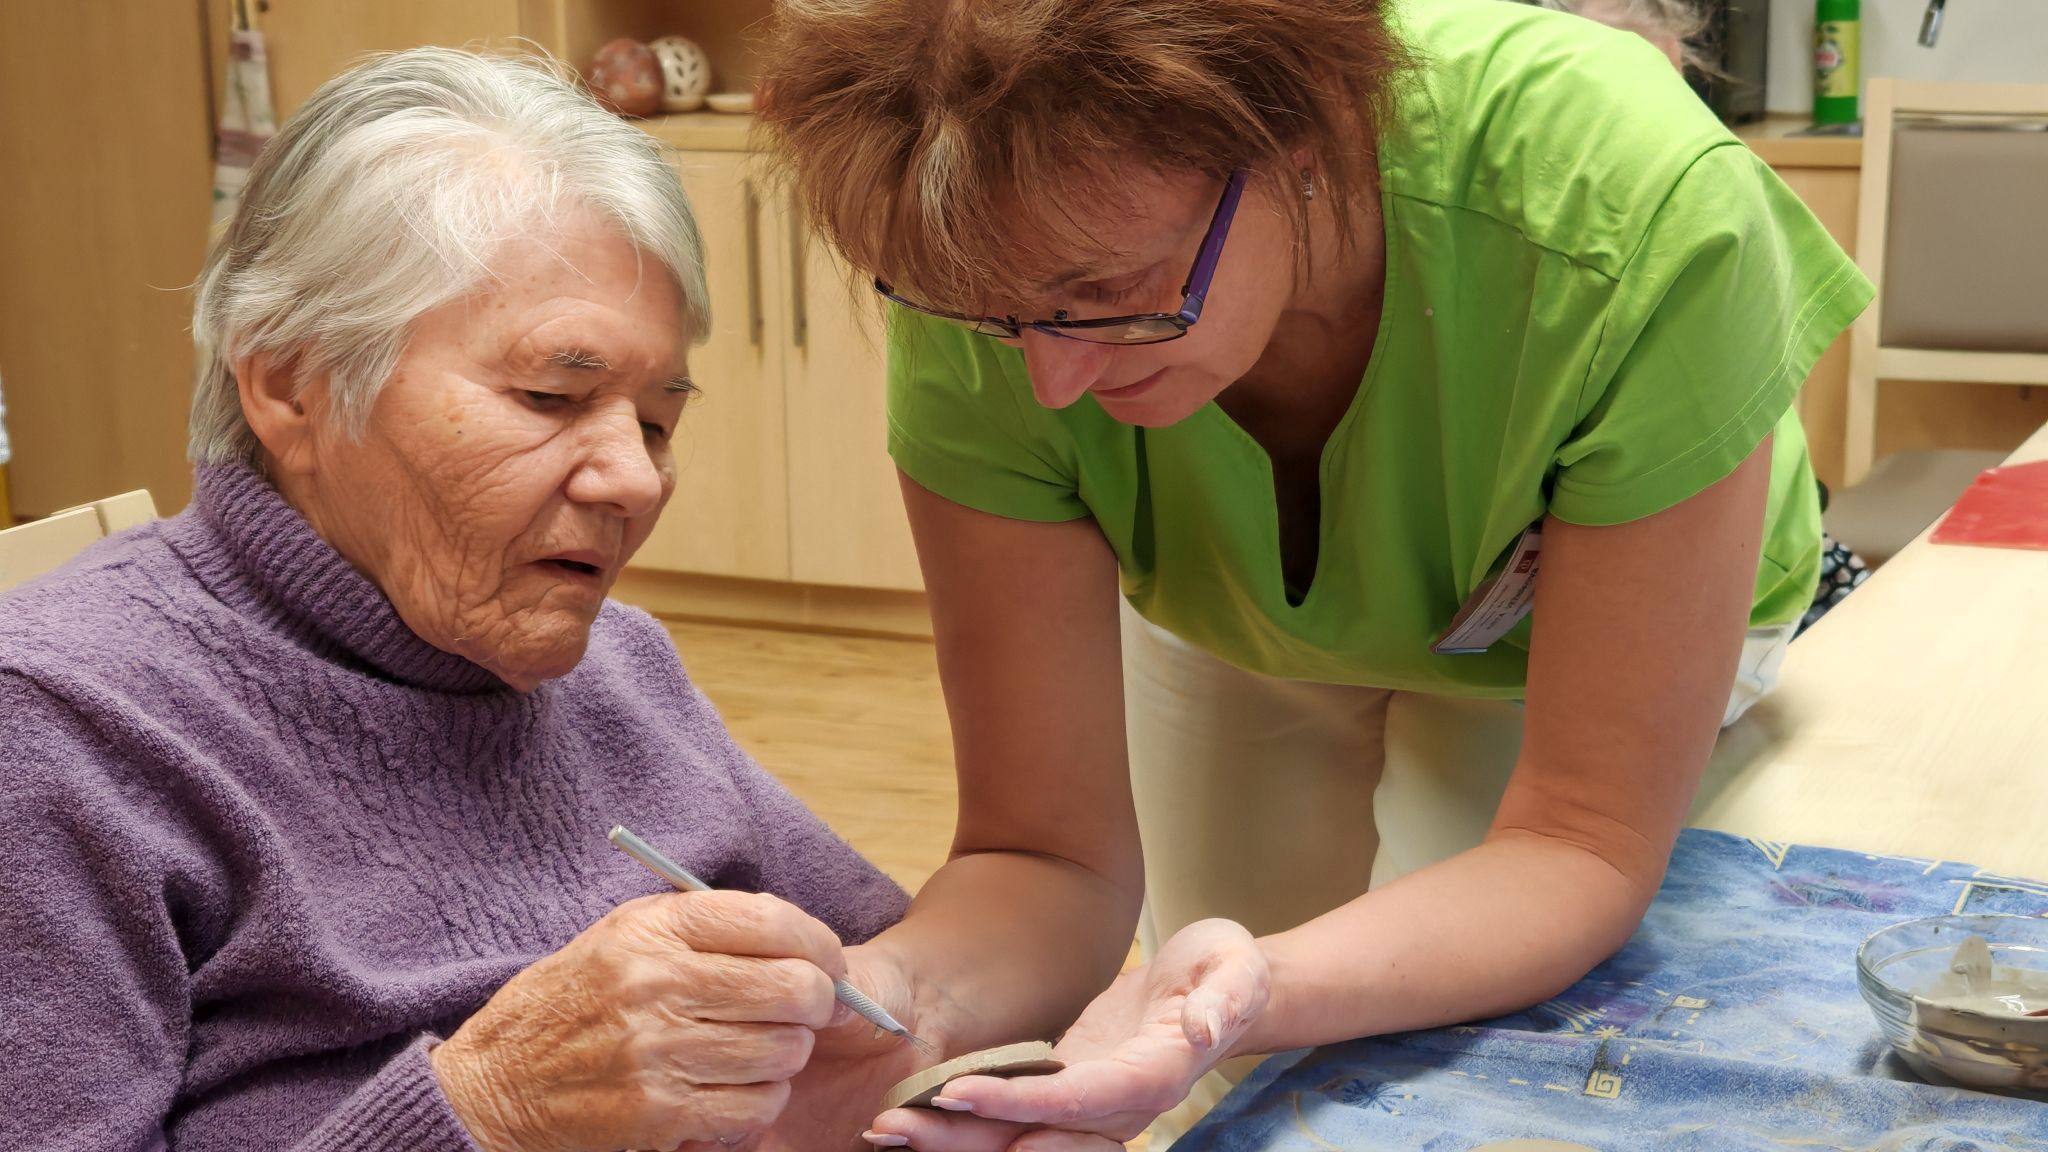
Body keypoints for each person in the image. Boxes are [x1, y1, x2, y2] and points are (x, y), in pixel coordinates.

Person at [755, 0, 1875, 1146]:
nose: (1050, 381)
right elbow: (1039, 851)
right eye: (1005, 322)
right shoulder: (990, 252)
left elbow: (1576, 844)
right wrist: (904, 1003)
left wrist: (1267, 992)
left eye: (1111, 293)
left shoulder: (1634, 199)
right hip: (1238, 609)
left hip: (1570, 648)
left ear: (1309, 133)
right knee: (1210, 1050)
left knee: (1454, 1065)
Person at [0, 47, 934, 1152]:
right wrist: (488, 1110)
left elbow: (888, 968)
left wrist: (978, 1081)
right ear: (290, 382)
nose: (635, 480)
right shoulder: (56, 730)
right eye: (551, 395)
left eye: (655, 421)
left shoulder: (617, 664)